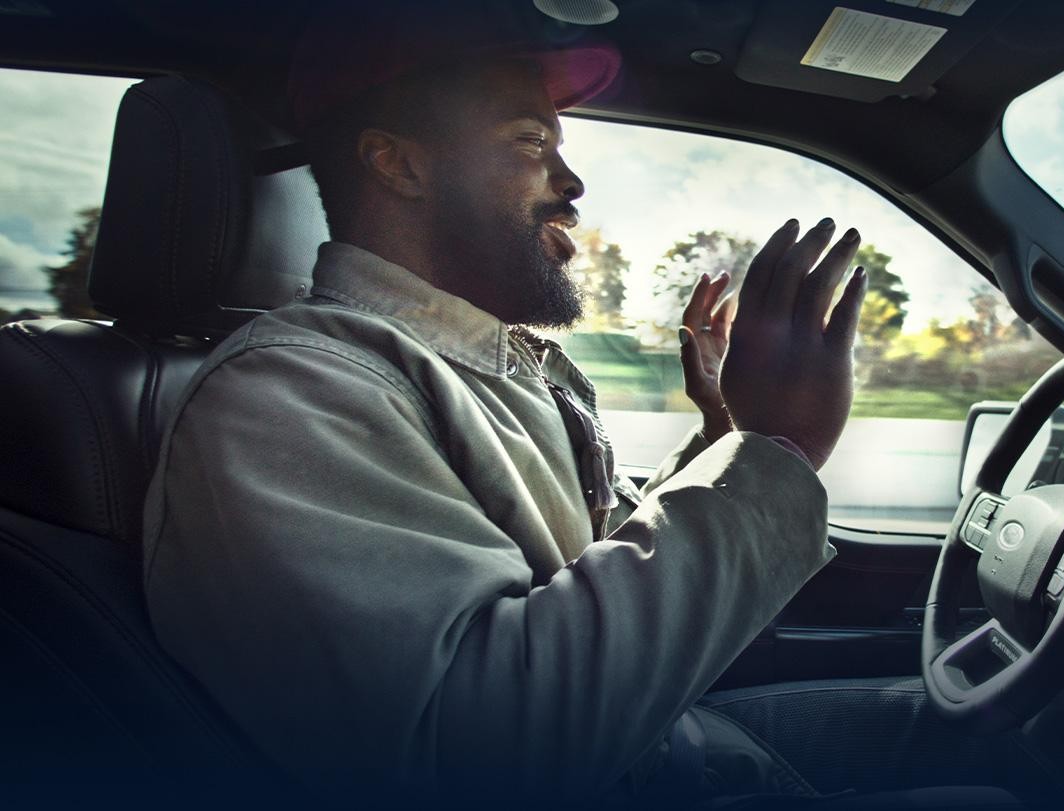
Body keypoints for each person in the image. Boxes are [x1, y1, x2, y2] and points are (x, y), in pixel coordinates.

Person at [140, 2, 869, 803]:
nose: (572, 181)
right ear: (399, 165)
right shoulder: (291, 394)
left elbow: (599, 570)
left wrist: (726, 430)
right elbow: (473, 751)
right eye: (531, 141)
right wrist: (778, 449)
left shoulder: (467, 368)